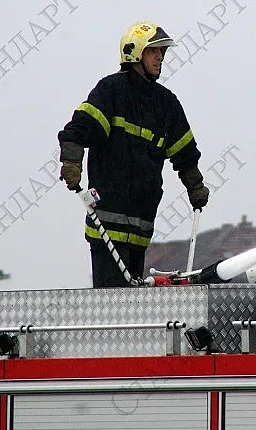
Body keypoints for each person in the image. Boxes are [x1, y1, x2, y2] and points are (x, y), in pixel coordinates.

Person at [57, 21, 209, 287]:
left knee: (132, 303)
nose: (160, 58)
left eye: (161, 52)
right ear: (134, 53)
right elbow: (78, 129)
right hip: (106, 227)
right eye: (153, 51)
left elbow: (185, 153)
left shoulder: (167, 104)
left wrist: (195, 186)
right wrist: (71, 161)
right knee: (110, 304)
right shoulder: (111, 91)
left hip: (141, 228)